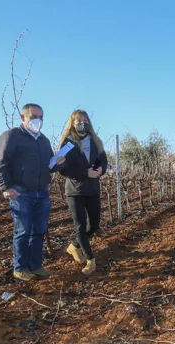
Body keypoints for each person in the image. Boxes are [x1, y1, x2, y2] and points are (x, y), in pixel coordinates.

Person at [0, 103, 66, 281]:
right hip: (20, 192)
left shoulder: (44, 140)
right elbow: (1, 164)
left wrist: (59, 162)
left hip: (41, 192)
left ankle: (36, 265)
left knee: (39, 230)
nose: (38, 121)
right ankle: (19, 268)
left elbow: (49, 166)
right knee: (23, 231)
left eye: (41, 117)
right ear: (23, 117)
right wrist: (6, 187)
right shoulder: (12, 136)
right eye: (34, 117)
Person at [58, 110, 108, 275]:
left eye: (84, 119)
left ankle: (74, 246)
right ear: (72, 123)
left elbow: (103, 160)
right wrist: (85, 173)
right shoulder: (68, 142)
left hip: (93, 189)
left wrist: (101, 169)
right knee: (80, 226)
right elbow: (63, 169)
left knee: (94, 224)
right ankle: (90, 259)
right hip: (75, 190)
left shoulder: (95, 140)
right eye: (78, 120)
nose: (82, 122)